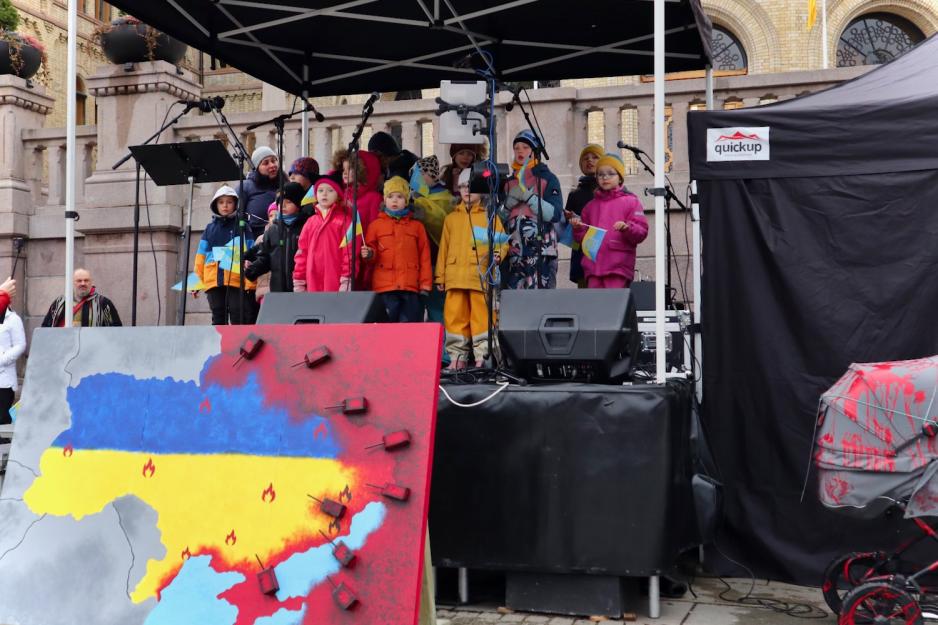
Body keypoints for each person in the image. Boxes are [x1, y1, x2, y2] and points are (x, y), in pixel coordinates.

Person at [436, 169, 508, 369]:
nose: (466, 191)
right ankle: (456, 357)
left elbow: (502, 242)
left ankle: (483, 356)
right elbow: (444, 248)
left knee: (482, 317)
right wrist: (440, 277)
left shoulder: (489, 217)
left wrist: (498, 254)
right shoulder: (451, 219)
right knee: (454, 317)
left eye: (470, 186)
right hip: (455, 277)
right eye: (461, 186)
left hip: (479, 278)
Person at [571, 153, 649, 288]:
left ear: (620, 178)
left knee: (614, 306)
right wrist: (578, 229)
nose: (605, 177)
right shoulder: (590, 207)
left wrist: (627, 228)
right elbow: (583, 240)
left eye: (610, 173)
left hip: (618, 267)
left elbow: (641, 232)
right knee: (595, 307)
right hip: (593, 268)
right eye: (600, 174)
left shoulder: (631, 202)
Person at [361, 176, 432, 322]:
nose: (394, 200)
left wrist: (425, 284)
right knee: (386, 330)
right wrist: (369, 254)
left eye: (399, 196)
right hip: (385, 288)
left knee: (409, 329)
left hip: (410, 288)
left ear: (406, 201)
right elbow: (371, 252)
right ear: (384, 200)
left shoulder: (417, 227)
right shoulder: (376, 225)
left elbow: (424, 256)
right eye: (390, 196)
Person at [501, 129, 564, 290]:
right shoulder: (508, 182)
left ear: (535, 151)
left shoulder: (547, 178)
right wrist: (507, 205)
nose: (520, 151)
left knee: (541, 301)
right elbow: (499, 219)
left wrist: (530, 198)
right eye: (516, 148)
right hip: (514, 254)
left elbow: (555, 214)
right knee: (514, 300)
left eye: (525, 147)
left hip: (541, 252)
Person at [194, 186, 258, 325]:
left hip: (236, 278)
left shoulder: (243, 226)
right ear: (215, 205)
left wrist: (250, 281)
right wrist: (197, 281)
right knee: (217, 314)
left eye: (229, 202)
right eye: (221, 202)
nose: (225, 206)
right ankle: (217, 345)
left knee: (237, 314)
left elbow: (251, 251)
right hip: (213, 279)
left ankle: (234, 345)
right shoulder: (209, 229)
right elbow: (200, 256)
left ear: (235, 204)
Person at [293, 177, 359, 292]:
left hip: (336, 283)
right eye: (320, 190)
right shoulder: (310, 222)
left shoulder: (346, 221)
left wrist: (346, 279)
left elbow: (350, 253)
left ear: (338, 195)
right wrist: (299, 280)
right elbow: (302, 253)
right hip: (312, 284)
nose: (324, 194)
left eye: (330, 190)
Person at [245, 182, 310, 294]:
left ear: (299, 204)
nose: (283, 206)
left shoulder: (306, 226)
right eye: (280, 202)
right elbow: (265, 257)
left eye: (288, 202)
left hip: (302, 288)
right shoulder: (273, 230)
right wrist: (252, 270)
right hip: (278, 289)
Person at [564, 144, 604, 287]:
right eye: (586, 158)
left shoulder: (607, 191)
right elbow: (567, 229)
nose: (590, 161)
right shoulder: (574, 194)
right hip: (582, 253)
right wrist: (570, 219)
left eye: (595, 157)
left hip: (604, 253)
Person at [343, 150, 383, 288]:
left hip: (365, 254)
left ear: (362, 171)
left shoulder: (374, 198)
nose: (344, 173)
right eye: (343, 169)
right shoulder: (343, 196)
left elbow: (374, 230)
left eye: (350, 169)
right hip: (346, 256)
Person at [41, 269, 122, 327]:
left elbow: (115, 330)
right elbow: (46, 327)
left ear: (91, 282)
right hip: (65, 348)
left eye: (86, 280)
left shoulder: (104, 303)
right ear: (72, 282)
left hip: (94, 349)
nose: (83, 283)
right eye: (79, 281)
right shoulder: (60, 302)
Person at [240, 146, 286, 239]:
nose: (272, 165)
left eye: (274, 161)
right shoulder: (246, 186)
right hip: (254, 240)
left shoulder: (285, 184)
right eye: (266, 163)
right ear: (257, 168)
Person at [0, 303, 25, 425]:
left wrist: (2, 360)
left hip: (4, 381)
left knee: (2, 419)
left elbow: (20, 345)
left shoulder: (13, 319)